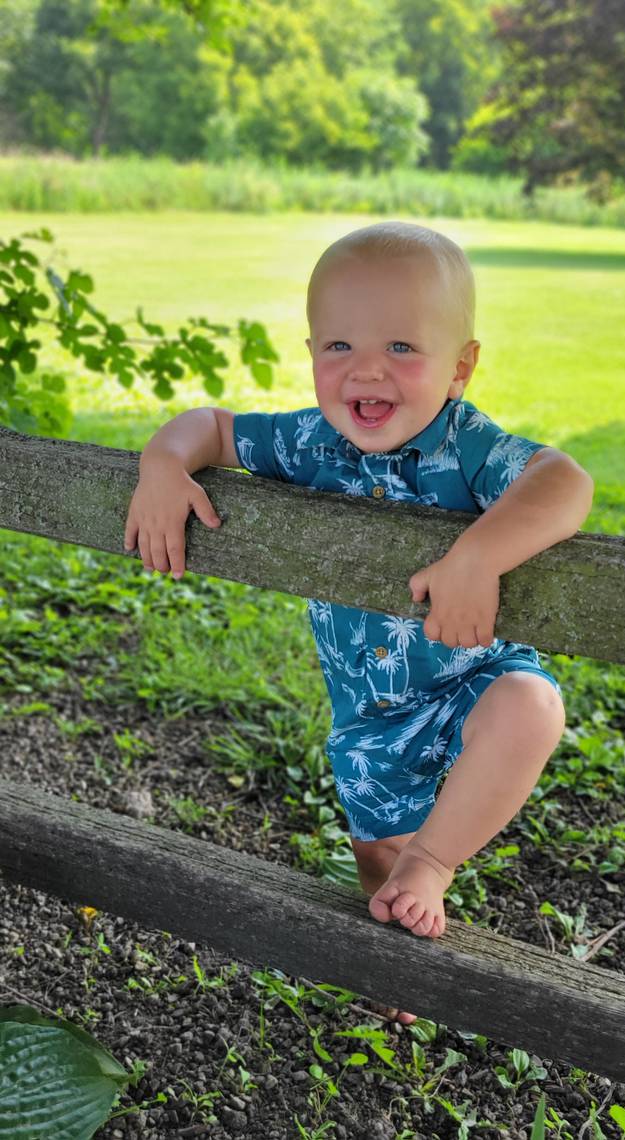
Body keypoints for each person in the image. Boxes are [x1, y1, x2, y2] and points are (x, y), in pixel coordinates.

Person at [124, 220, 593, 1023]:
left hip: (468, 678)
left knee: (532, 708)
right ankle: (397, 945)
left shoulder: (466, 445)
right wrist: (162, 463)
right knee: (377, 855)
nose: (367, 370)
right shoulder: (310, 443)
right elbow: (211, 425)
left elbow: (565, 480)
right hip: (368, 714)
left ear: (462, 367)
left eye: (403, 349)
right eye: (338, 346)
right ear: (310, 354)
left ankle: (436, 866)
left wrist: (479, 555)